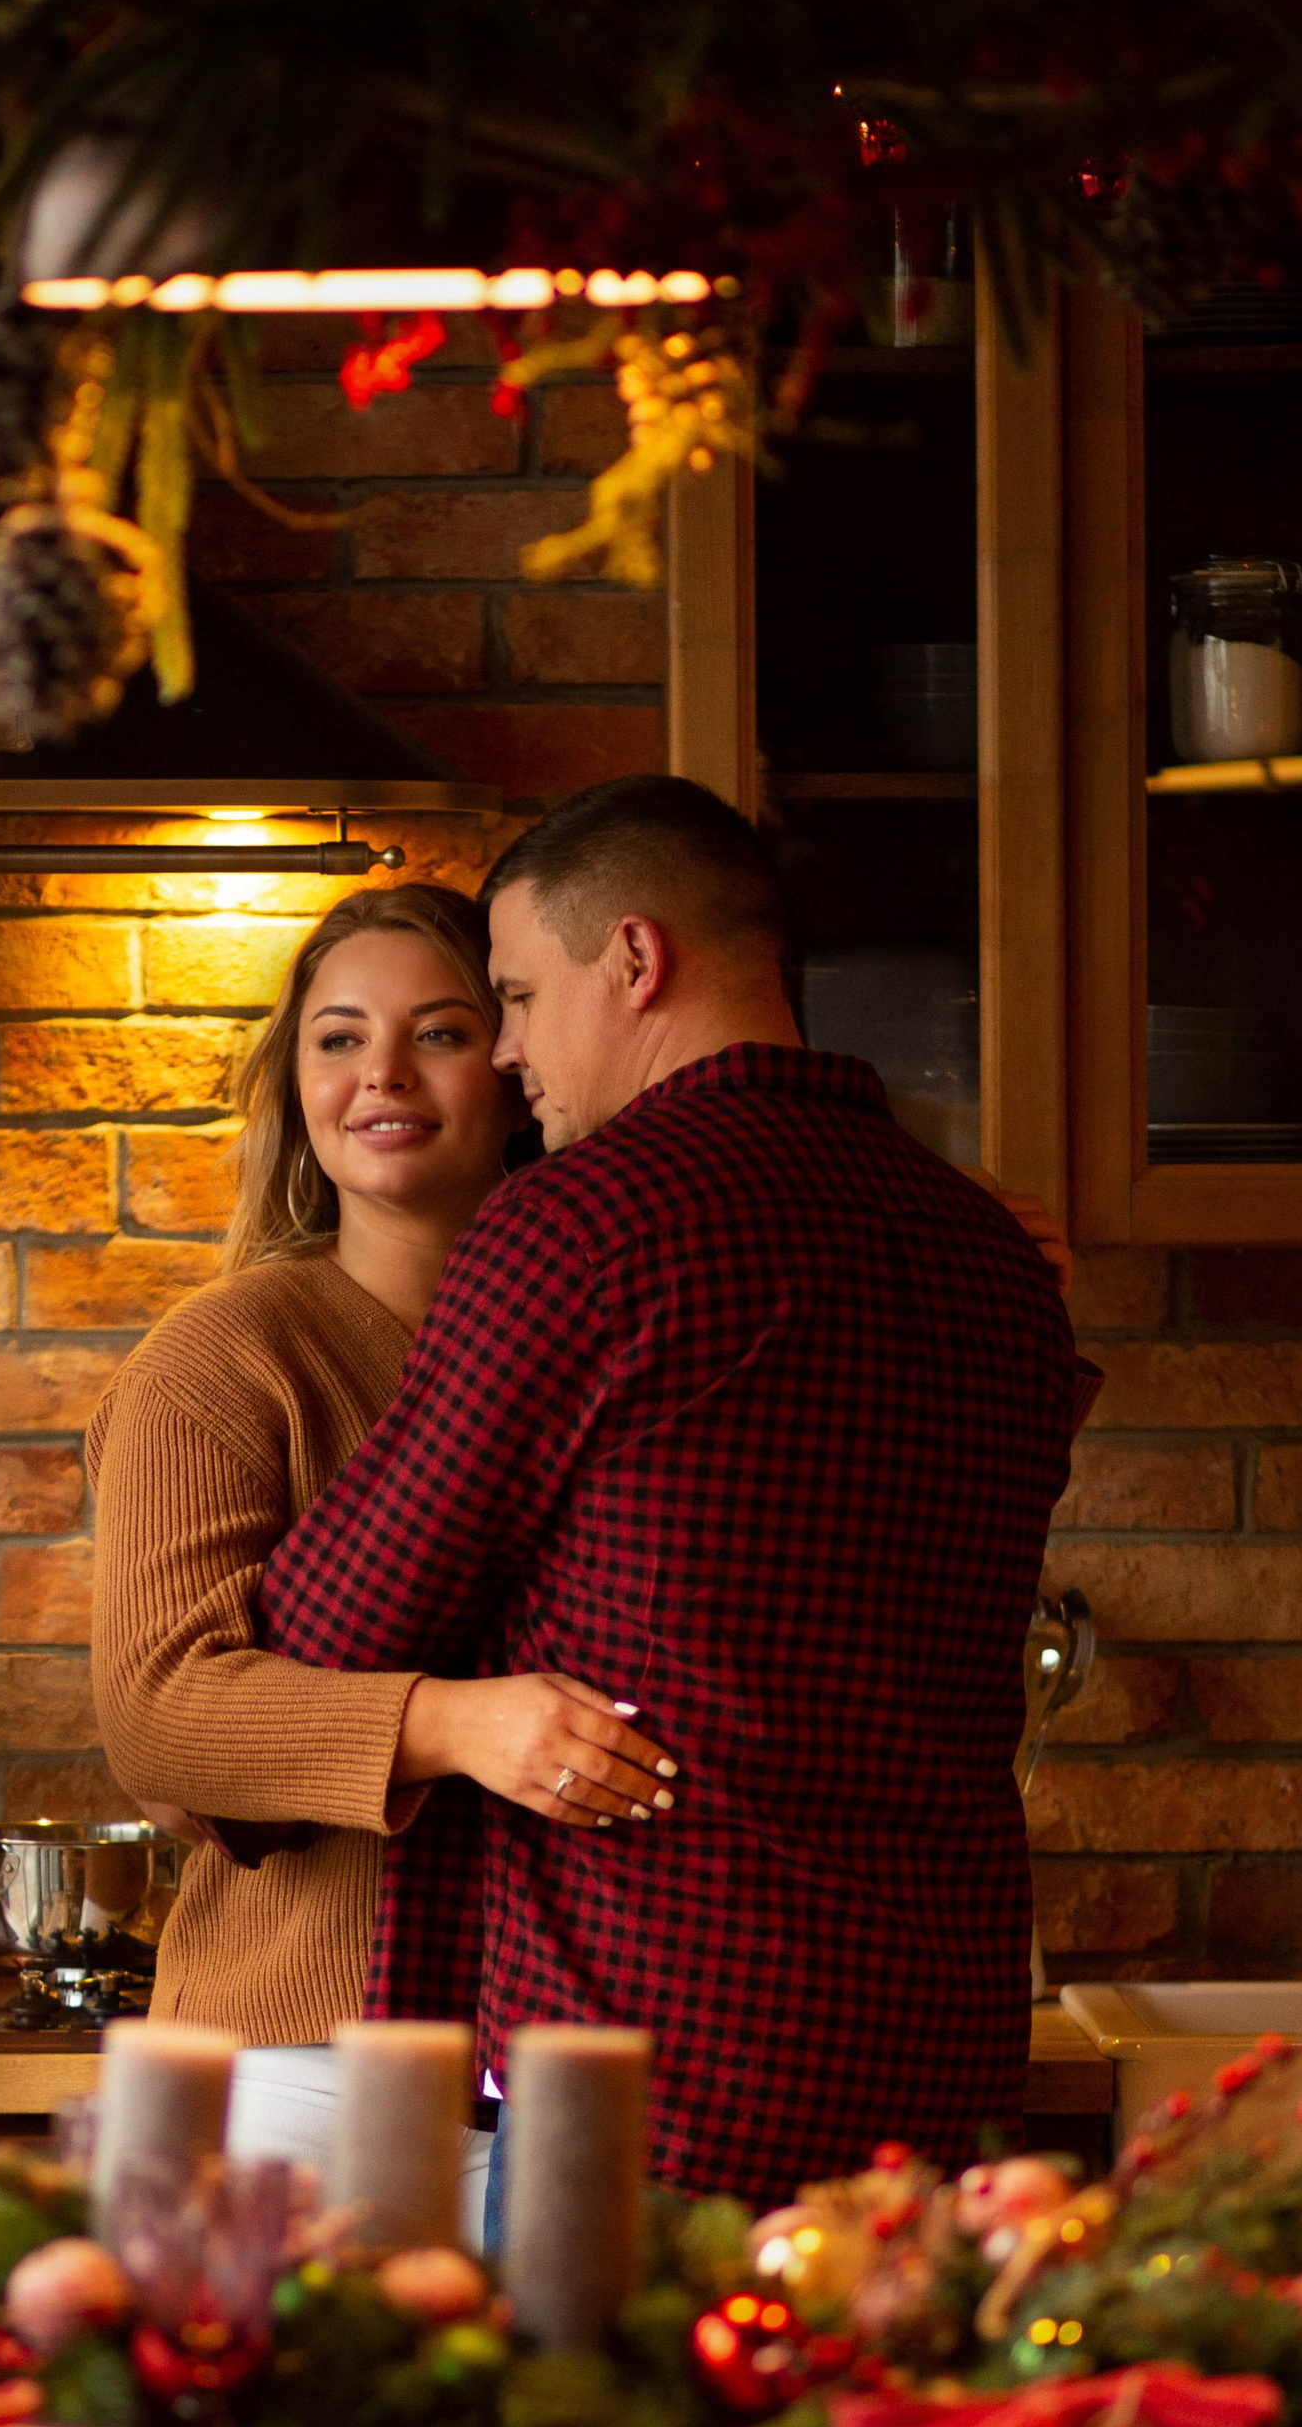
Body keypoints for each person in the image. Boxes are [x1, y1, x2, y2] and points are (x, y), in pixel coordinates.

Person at [258, 777, 1100, 2222]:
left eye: (515, 994)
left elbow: (333, 1620)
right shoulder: (993, 1253)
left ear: (636, 961)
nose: (512, 1048)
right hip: (942, 2054)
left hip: (667, 2068)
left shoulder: (581, 1224)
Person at [86, 881, 669, 2220]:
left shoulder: (613, 1332)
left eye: (443, 1032)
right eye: (338, 1040)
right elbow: (162, 1718)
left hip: (586, 2055)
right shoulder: (224, 1361)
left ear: (517, 1065)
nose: (382, 1077)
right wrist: (464, 1728)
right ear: (293, 1087)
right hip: (305, 2069)